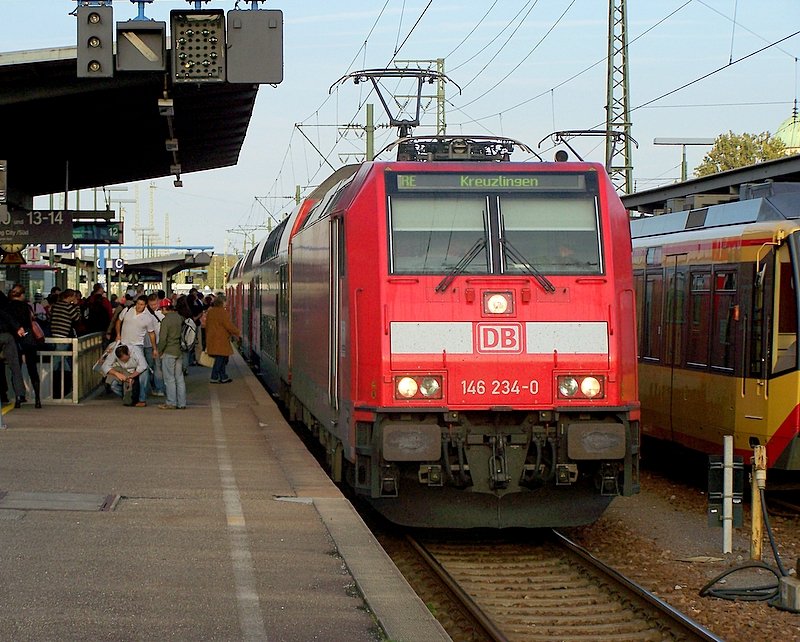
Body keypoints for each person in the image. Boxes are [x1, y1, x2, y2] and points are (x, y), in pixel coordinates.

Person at [116, 295, 158, 407]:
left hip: (137, 346)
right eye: (138, 304)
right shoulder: (127, 310)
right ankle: (128, 395)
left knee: (143, 371)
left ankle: (142, 398)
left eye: (142, 305)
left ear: (145, 305)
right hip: (123, 344)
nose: (139, 306)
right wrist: (118, 335)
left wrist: (154, 348)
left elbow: (151, 334)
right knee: (123, 370)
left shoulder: (148, 318)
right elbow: (118, 321)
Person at [7, 285, 42, 408]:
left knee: (16, 369)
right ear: (22, 295)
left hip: (14, 340)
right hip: (29, 339)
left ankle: (18, 398)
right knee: (32, 369)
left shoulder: (8, 307)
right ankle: (37, 399)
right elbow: (32, 321)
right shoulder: (27, 307)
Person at [156, 299, 186, 409]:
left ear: (164, 308)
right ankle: (182, 403)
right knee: (179, 378)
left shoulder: (166, 321)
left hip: (169, 351)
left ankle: (171, 402)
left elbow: (163, 339)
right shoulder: (179, 317)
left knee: (169, 379)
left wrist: (159, 350)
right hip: (179, 351)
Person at [204, 294, 240, 384]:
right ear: (222, 302)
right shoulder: (223, 313)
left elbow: (207, 325)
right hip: (220, 339)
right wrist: (237, 332)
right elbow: (228, 326)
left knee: (221, 358)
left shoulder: (211, 312)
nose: (227, 303)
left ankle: (223, 376)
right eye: (225, 302)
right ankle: (214, 376)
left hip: (212, 338)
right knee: (220, 359)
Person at [0, 293, 27, 408]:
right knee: (15, 366)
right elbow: (6, 315)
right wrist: (18, 328)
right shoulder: (4, 304)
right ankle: (19, 396)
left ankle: (4, 394)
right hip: (6, 336)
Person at [145, 293, 166, 397]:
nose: (153, 306)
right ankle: (160, 389)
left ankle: (150, 388)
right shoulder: (161, 316)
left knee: (149, 367)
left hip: (148, 345)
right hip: (157, 344)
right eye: (151, 304)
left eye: (154, 304)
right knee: (158, 367)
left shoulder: (145, 315)